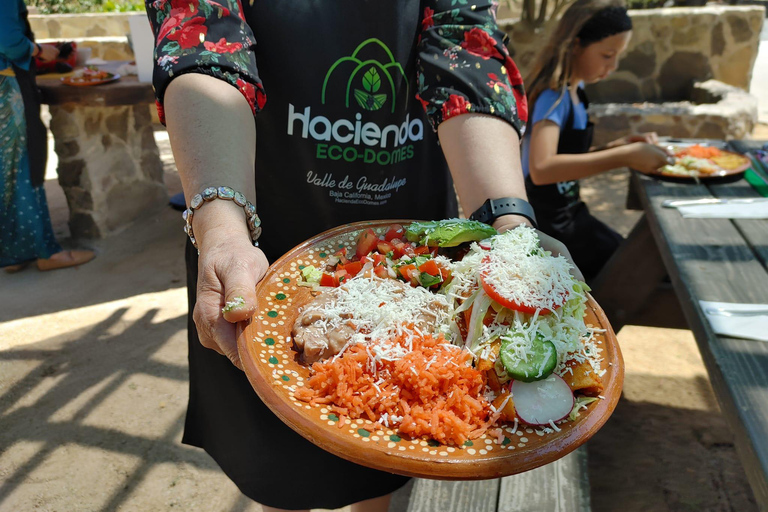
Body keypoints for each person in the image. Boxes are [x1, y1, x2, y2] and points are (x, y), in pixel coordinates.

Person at [146, 1, 577, 510]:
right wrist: (222, 231)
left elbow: (466, 48)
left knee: (392, 434)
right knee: (277, 460)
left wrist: (507, 222)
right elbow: (203, 37)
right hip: (253, 216)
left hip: (407, 231)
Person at [521, 0, 674, 281]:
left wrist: (619, 146)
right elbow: (542, 168)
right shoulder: (553, 96)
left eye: (618, 56)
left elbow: (567, 157)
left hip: (571, 214)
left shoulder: (576, 90)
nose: (613, 66)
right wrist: (625, 157)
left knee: (637, 261)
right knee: (636, 272)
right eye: (606, 55)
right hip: (548, 226)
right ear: (575, 45)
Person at [0, 0, 95, 273]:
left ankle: (15, 252)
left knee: (7, 169)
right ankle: (45, 252)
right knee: (25, 165)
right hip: (8, 88)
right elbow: (8, 40)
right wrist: (40, 50)